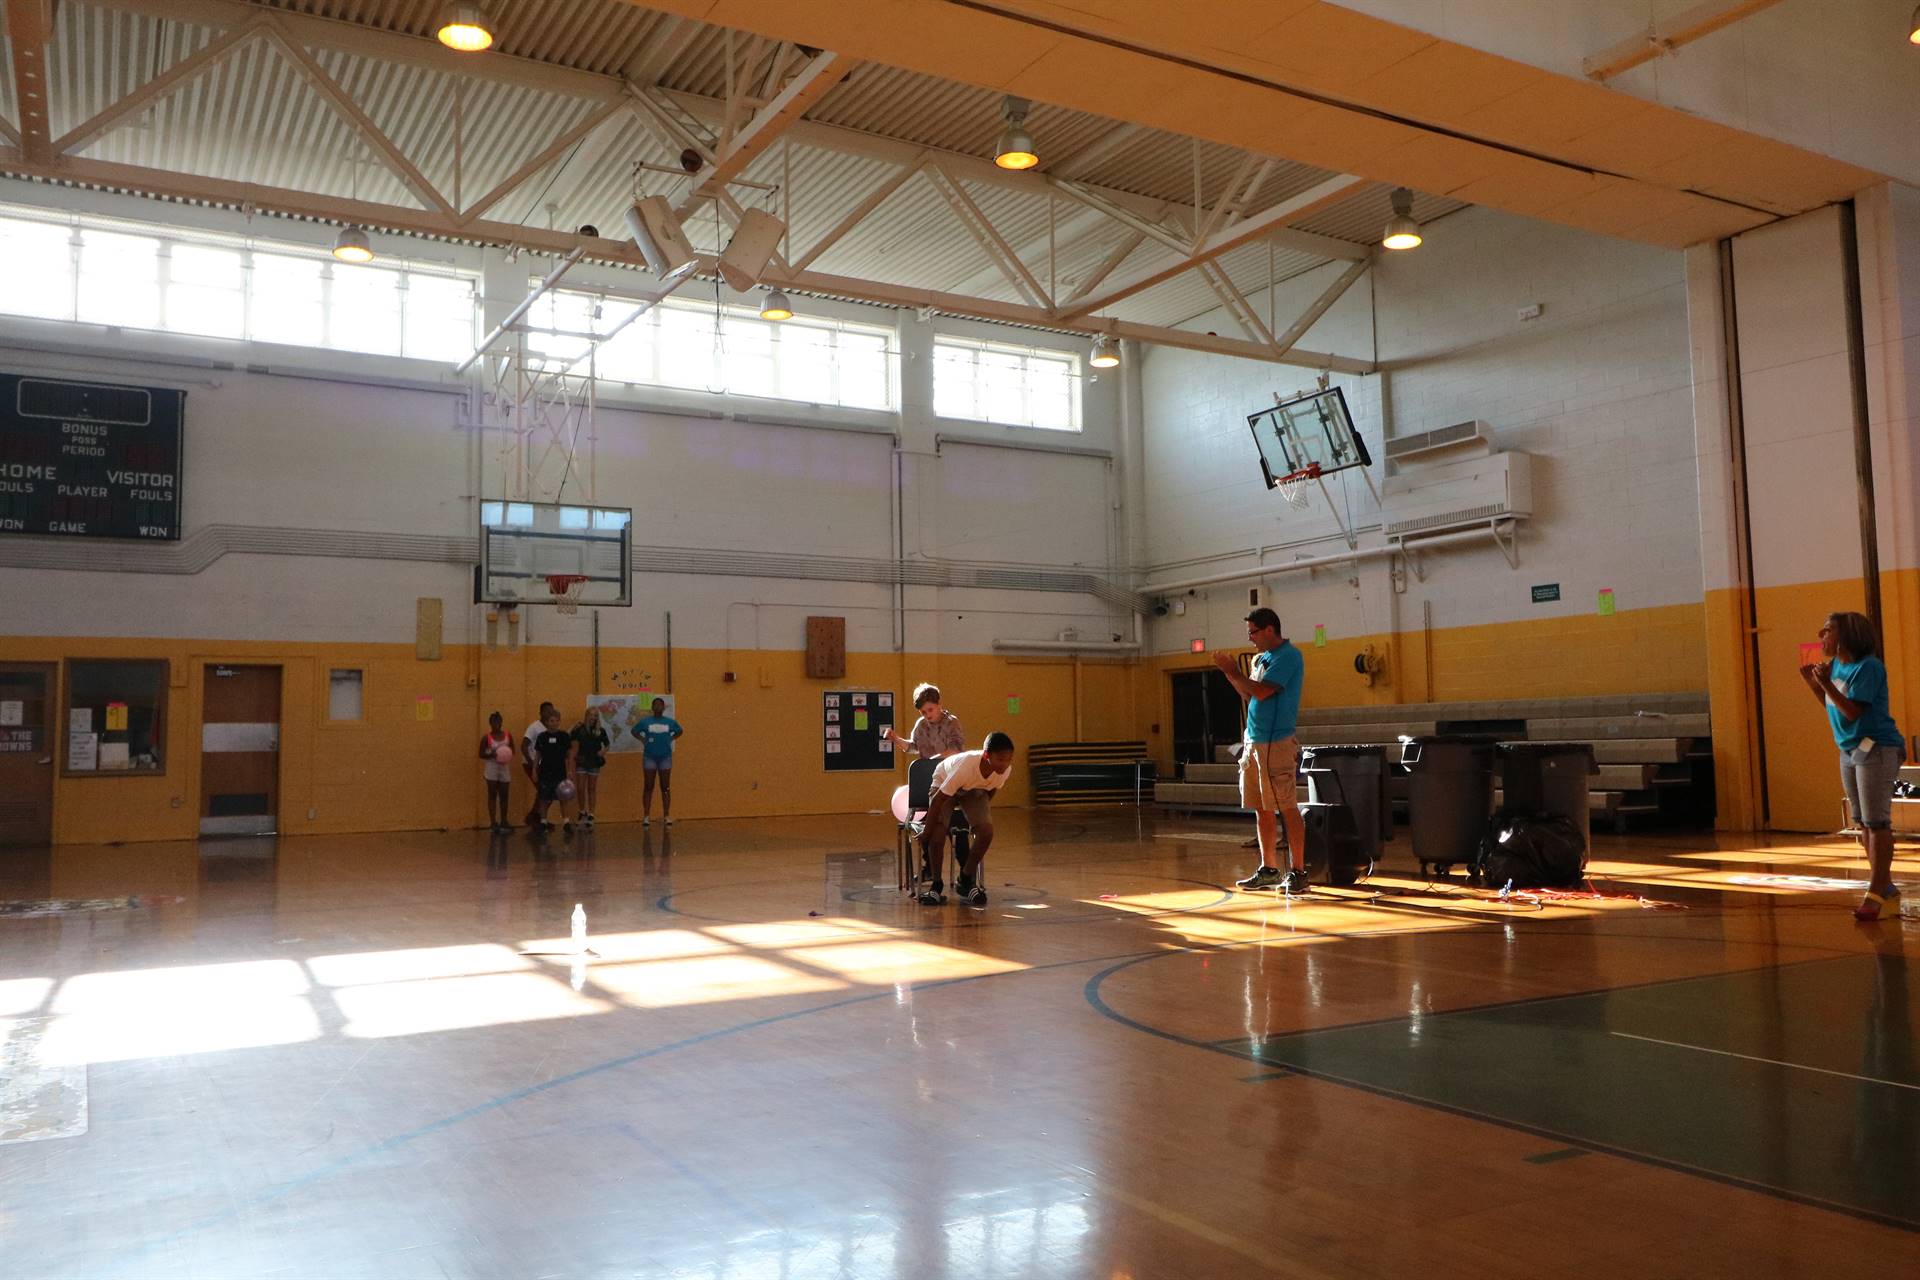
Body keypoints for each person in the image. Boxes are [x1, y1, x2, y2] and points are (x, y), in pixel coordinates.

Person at [1800, 611, 1906, 921]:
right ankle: (1884, 888)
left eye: (1829, 630)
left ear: (1847, 635)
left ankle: (1876, 892)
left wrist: (1826, 685)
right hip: (1848, 750)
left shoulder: (1868, 667)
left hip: (1877, 748)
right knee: (1861, 821)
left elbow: (1853, 712)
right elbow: (1833, 708)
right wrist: (1815, 686)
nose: (1822, 635)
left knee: (1877, 822)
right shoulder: (1835, 667)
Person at [1215, 607, 1309, 895]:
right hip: (1254, 740)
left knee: (1286, 806)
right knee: (1261, 808)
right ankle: (1268, 869)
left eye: (1253, 632)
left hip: (1276, 742)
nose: (1251, 639)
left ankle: (1298, 871)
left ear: (1269, 629)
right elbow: (1247, 693)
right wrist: (1229, 675)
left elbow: (1263, 691)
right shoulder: (1262, 659)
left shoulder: (1289, 657)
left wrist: (1233, 670)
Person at [916, 731, 1015, 907]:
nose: (1005, 764)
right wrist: (927, 831)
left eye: (1009, 759)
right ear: (986, 755)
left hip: (973, 789)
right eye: (1000, 759)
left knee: (986, 830)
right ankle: (936, 885)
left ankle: (966, 878)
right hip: (945, 782)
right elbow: (939, 800)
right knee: (937, 833)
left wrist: (977, 817)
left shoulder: (1005, 770)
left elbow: (991, 789)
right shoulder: (966, 766)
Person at [632, 697, 684, 826]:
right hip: (650, 757)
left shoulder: (670, 722)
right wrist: (642, 740)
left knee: (665, 786)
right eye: (655, 705)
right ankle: (646, 816)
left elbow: (680, 731)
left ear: (664, 707)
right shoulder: (645, 722)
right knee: (648, 786)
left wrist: (671, 738)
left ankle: (666, 815)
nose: (658, 707)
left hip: (665, 757)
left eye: (660, 705)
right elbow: (634, 731)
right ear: (652, 708)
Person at [883, 683, 965, 762]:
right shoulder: (921, 725)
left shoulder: (951, 722)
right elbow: (914, 747)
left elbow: (955, 750)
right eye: (923, 712)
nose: (928, 715)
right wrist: (896, 739)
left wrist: (930, 762)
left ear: (939, 704)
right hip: (929, 771)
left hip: (950, 770)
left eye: (930, 710)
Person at [530, 707, 576, 834]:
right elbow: (537, 755)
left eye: (556, 721)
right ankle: (543, 822)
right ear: (546, 722)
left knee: (563, 799)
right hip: (545, 772)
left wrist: (570, 771)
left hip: (560, 772)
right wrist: (534, 770)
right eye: (551, 721)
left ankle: (566, 822)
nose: (554, 723)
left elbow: (569, 755)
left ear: (559, 721)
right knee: (544, 798)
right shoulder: (542, 737)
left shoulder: (564, 736)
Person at [571, 705, 611, 825]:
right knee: (580, 788)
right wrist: (574, 727)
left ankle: (591, 814)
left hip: (594, 761)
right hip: (582, 760)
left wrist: (603, 751)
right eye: (591, 715)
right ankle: (582, 811)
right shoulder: (580, 729)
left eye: (595, 716)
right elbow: (569, 737)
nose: (593, 718)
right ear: (586, 716)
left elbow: (607, 744)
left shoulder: (600, 730)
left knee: (592, 788)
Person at [522, 700, 556, 828]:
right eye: (547, 711)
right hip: (531, 764)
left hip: (544, 765)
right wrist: (532, 765)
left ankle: (538, 818)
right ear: (541, 713)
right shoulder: (534, 727)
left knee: (546, 792)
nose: (549, 713)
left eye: (551, 711)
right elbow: (523, 746)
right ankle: (536, 818)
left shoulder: (550, 727)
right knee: (545, 791)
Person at [479, 711, 514, 832]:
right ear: (490, 723)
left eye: (498, 722)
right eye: (494, 722)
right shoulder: (486, 738)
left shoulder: (507, 736)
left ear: (501, 722)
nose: (496, 724)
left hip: (504, 767)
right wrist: (493, 754)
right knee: (492, 794)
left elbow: (512, 750)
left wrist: (506, 754)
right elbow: (481, 754)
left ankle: (504, 820)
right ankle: (493, 822)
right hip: (492, 766)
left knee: (504, 794)